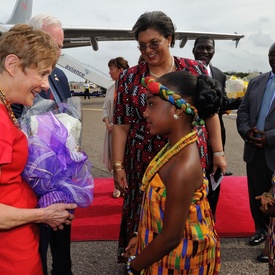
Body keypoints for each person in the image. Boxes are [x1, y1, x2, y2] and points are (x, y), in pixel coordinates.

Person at [112, 10, 226, 263]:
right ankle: (141, 255)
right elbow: (121, 125)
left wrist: (218, 152)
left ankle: (183, 257)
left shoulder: (193, 69)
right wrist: (118, 165)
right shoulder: (130, 77)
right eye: (142, 45)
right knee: (145, 207)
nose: (148, 50)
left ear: (169, 38)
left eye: (155, 43)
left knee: (183, 213)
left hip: (189, 153)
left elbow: (211, 114)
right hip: (143, 158)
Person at [122, 70, 221, 274]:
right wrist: (139, 236)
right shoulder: (173, 149)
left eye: (151, 104)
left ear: (178, 110)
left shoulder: (182, 168)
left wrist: (134, 265)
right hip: (165, 254)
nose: (145, 112)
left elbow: (171, 237)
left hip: (179, 262)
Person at [0, 23, 76, 275]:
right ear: (12, 65)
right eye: (42, 73)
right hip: (9, 255)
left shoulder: (5, 107)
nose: (46, 85)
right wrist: (43, 214)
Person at [26, 13, 73, 275]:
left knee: (62, 239)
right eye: (52, 44)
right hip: (32, 178)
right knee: (37, 243)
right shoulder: (16, 78)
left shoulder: (60, 77)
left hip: (61, 177)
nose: (58, 51)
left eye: (61, 46)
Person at [193, 35, 243, 217]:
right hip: (192, 137)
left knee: (215, 176)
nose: (205, 52)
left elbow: (220, 104)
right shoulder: (186, 73)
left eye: (209, 48)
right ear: (193, 49)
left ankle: (210, 217)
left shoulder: (219, 74)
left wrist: (245, 100)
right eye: (201, 47)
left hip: (216, 135)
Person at [237, 43, 275, 262]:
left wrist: (268, 137)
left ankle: (271, 245)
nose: (274, 59)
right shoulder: (256, 82)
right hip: (254, 150)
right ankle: (260, 231)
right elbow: (243, 111)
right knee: (257, 194)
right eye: (271, 55)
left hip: (272, 148)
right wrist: (246, 131)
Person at [102, 57, 129, 198]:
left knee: (126, 157)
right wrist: (107, 122)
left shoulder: (130, 87)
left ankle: (127, 184)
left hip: (126, 129)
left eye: (111, 69)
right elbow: (105, 108)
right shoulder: (110, 88)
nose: (109, 72)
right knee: (115, 158)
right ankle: (117, 185)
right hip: (112, 129)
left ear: (120, 70)